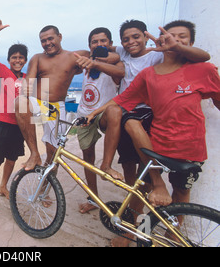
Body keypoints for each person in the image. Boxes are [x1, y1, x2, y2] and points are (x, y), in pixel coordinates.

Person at [88, 20, 214, 246]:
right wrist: (95, 112)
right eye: (170, 36)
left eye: (181, 37)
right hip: (156, 146)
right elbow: (122, 99)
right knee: (144, 191)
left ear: (191, 42)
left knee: (180, 195)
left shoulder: (201, 70)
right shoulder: (149, 74)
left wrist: (179, 48)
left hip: (190, 148)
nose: (175, 40)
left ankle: (172, 236)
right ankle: (133, 233)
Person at [15, 26, 82, 171]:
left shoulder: (73, 56)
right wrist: (27, 87)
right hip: (39, 103)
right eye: (43, 41)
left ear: (60, 37)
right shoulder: (38, 58)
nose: (47, 43)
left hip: (55, 107)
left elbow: (105, 53)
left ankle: (45, 189)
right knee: (20, 101)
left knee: (53, 154)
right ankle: (34, 153)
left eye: (50, 38)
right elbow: (29, 81)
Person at [74, 27, 125, 214]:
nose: (99, 44)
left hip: (102, 114)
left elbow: (120, 74)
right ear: (89, 46)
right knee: (88, 159)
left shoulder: (117, 62)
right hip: (83, 113)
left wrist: (99, 60)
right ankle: (93, 198)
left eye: (103, 41)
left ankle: (107, 164)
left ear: (111, 44)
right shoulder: (86, 60)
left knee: (114, 111)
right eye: (95, 42)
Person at [0, 16, 28, 211]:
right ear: (9, 60)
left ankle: (3, 186)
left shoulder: (28, 79)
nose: (17, 60)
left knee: (12, 160)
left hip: (19, 126)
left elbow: (31, 105)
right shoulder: (1, 71)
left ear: (25, 60)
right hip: (1, 123)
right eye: (14, 57)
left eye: (21, 58)